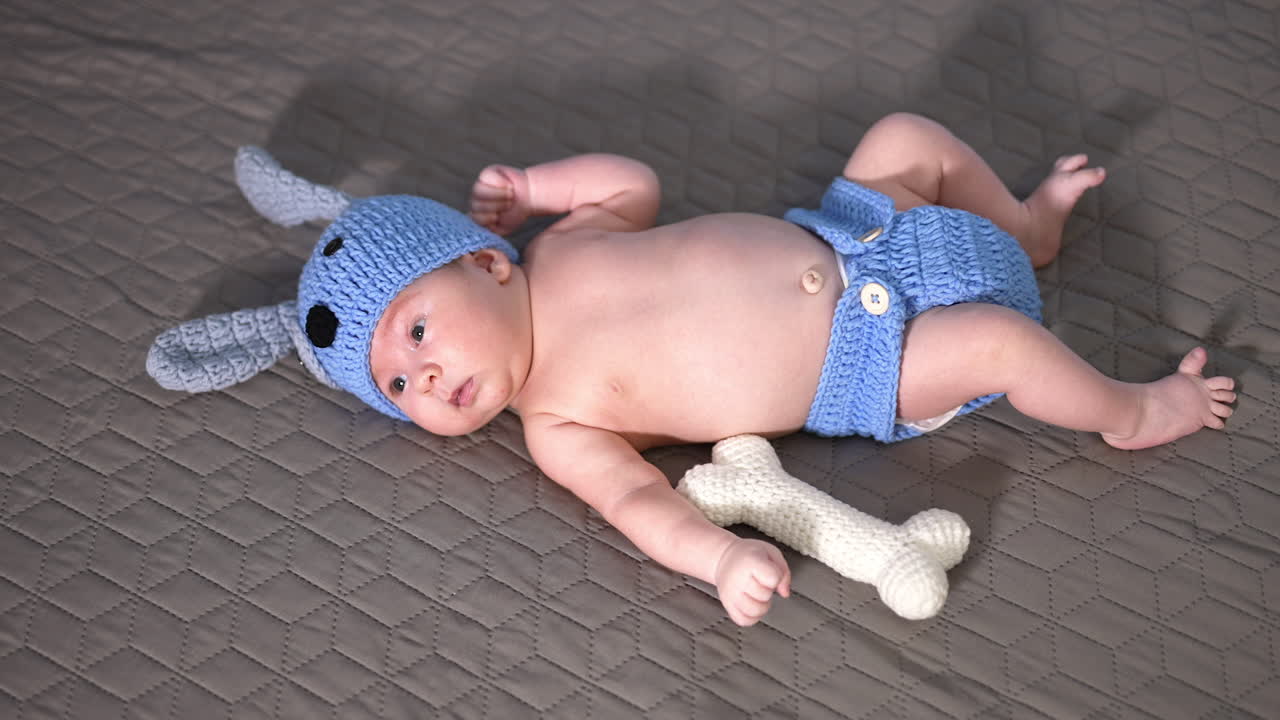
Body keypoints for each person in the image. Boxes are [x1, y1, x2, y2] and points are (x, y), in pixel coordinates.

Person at [212, 113, 1244, 626]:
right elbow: (633, 505)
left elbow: (632, 180)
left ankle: (1024, 227)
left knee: (903, 134)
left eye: (417, 334)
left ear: (483, 262)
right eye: (395, 387)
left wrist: (535, 185)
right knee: (1002, 348)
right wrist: (712, 561)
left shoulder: (565, 242)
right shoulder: (557, 421)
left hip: (856, 231)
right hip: (868, 360)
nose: (422, 380)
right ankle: (1126, 409)